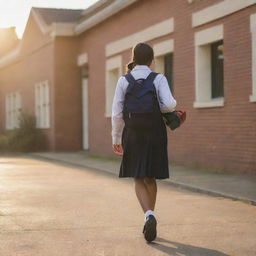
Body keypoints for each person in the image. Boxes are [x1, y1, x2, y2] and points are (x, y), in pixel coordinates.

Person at [111, 42, 177, 242]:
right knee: (151, 176)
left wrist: (115, 137)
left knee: (138, 177)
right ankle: (151, 214)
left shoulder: (124, 80)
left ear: (134, 58)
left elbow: (116, 112)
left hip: (133, 132)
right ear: (151, 60)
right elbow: (169, 104)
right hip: (155, 131)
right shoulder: (159, 79)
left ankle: (148, 215)